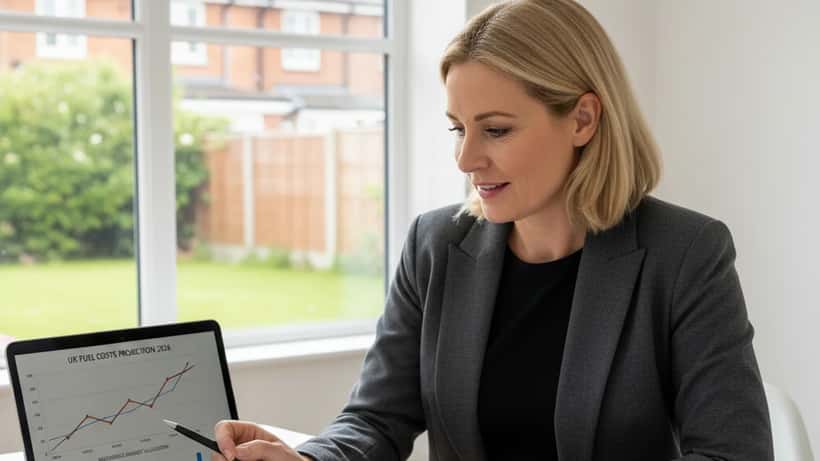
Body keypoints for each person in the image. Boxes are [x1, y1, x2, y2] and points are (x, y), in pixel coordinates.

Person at [211, 1, 774, 460]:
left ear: (583, 119)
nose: (465, 159)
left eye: (496, 130)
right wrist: (310, 459)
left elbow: (734, 453)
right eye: (458, 129)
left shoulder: (685, 255)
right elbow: (376, 419)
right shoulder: (435, 245)